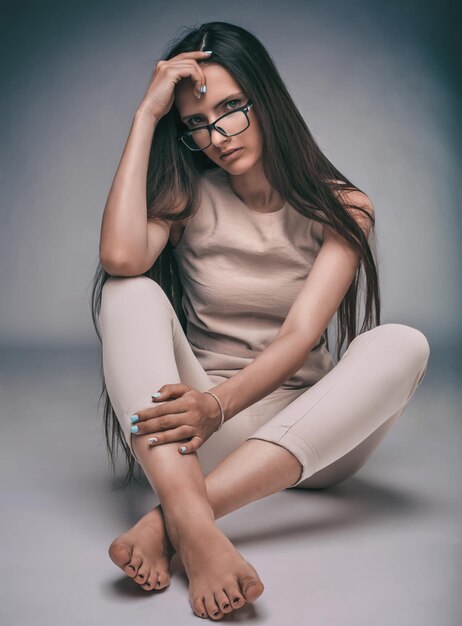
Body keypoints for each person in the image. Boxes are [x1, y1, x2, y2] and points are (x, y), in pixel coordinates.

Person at [91, 21, 430, 621]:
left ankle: (171, 522)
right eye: (196, 124)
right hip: (205, 437)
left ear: (265, 99)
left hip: (317, 435)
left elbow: (301, 337)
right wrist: (146, 115)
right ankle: (200, 535)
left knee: (402, 343)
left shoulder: (343, 206)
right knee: (126, 292)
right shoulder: (190, 196)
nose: (217, 136)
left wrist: (216, 405)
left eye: (231, 109)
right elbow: (119, 257)